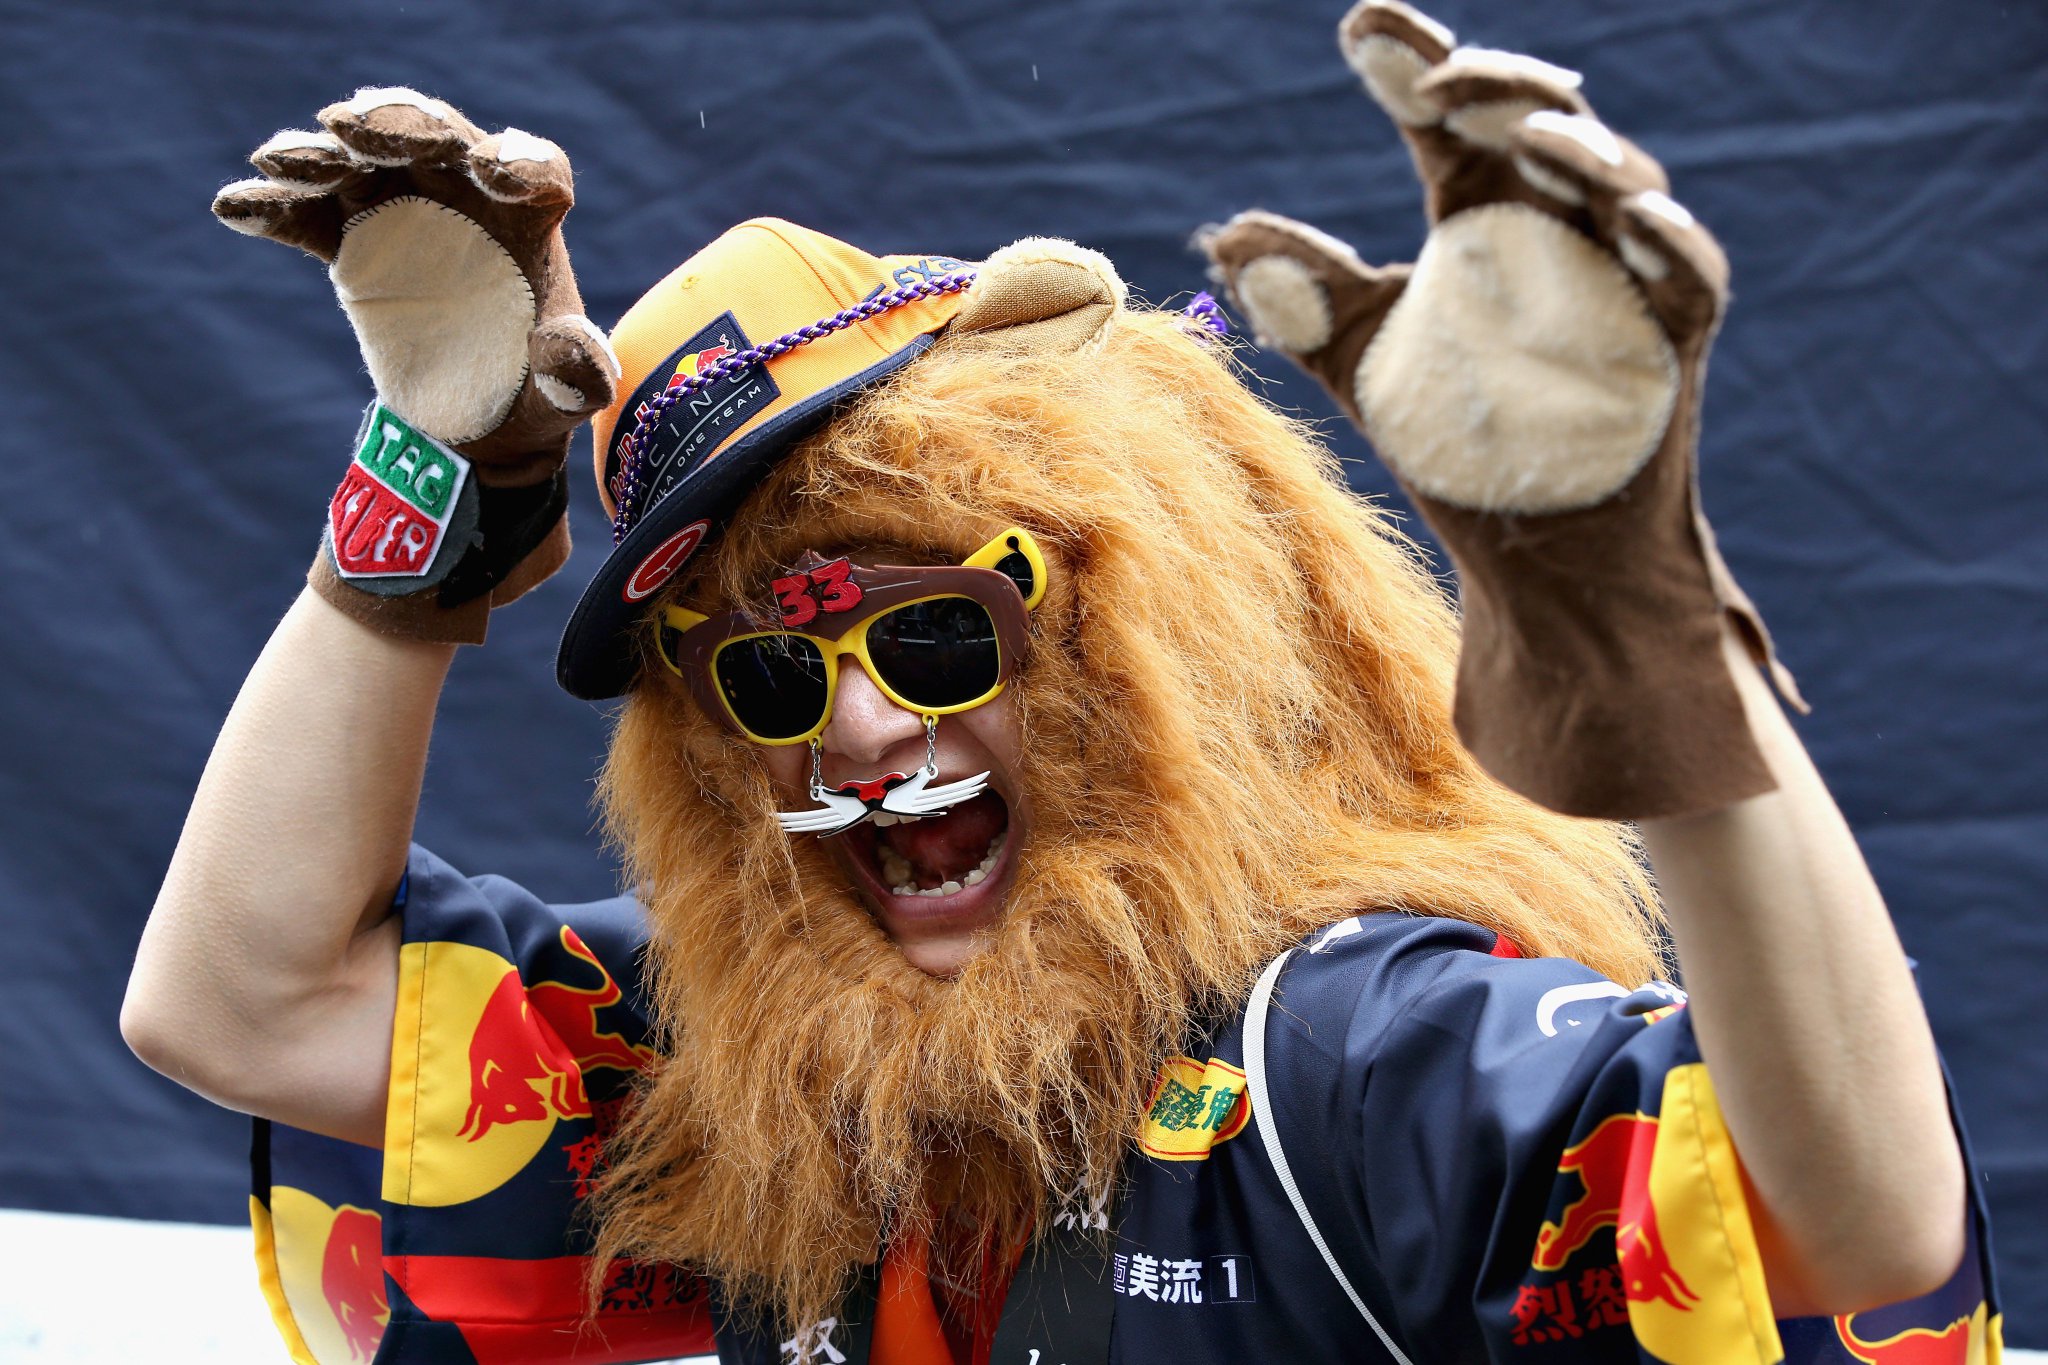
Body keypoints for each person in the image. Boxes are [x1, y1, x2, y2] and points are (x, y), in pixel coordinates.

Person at [123, 5, 2001, 1362]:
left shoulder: (1345, 1055)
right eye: (769, 679)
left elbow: (1853, 1224)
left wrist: (1640, 634)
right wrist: (419, 522)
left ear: (1126, 636)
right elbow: (238, 1000)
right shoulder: (770, 1068)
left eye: (940, 634)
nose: (865, 730)